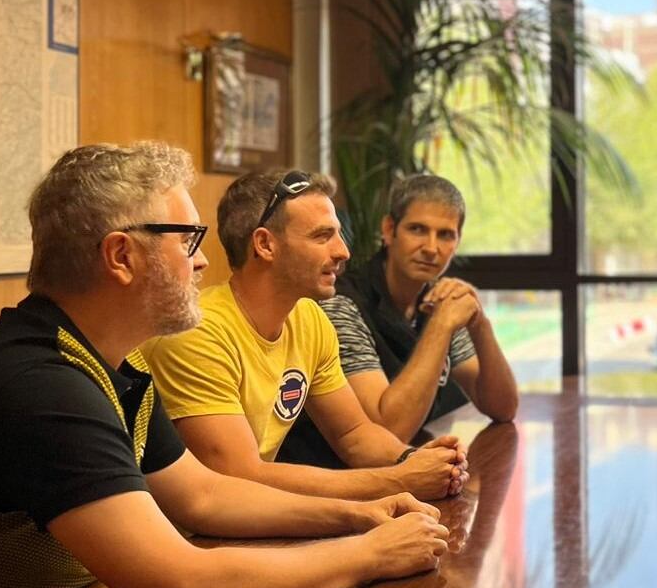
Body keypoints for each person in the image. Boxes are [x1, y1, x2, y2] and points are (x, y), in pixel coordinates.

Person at [0, 143, 450, 588]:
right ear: (121, 256)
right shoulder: (42, 382)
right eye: (188, 240)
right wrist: (371, 554)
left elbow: (203, 495)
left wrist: (358, 516)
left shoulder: (118, 362)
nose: (203, 262)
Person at [141, 169, 467, 502]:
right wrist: (399, 480)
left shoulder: (309, 318)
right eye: (323, 236)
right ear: (265, 245)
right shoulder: (197, 332)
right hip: (180, 527)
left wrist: (415, 459)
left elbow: (354, 434)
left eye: (338, 234)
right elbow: (239, 475)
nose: (343, 252)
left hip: (253, 515)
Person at [279, 174, 518, 465]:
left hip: (404, 467)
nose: (431, 248)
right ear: (389, 230)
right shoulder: (341, 304)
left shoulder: (439, 298)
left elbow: (503, 408)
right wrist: (441, 326)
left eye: (445, 235)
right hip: (329, 477)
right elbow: (388, 431)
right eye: (418, 230)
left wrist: (479, 324)